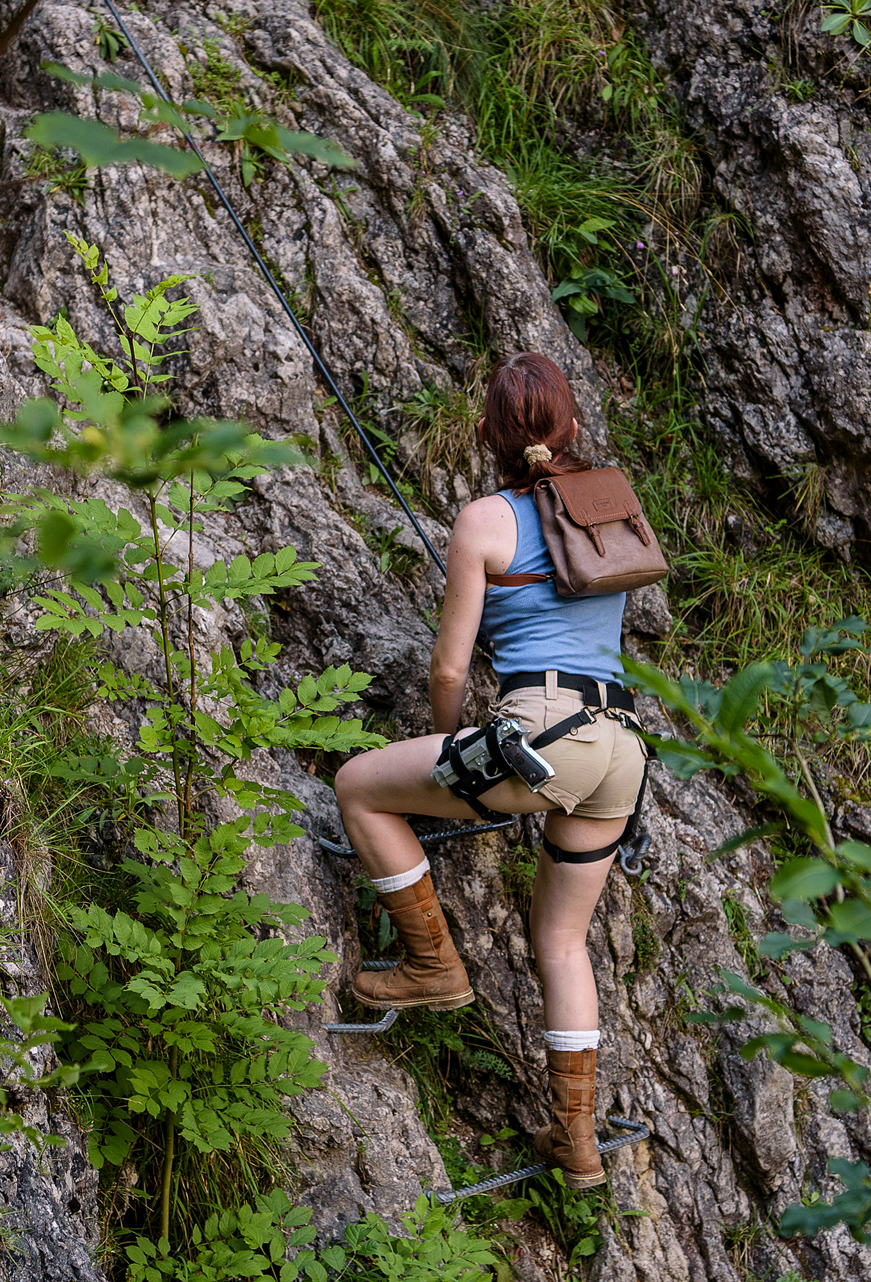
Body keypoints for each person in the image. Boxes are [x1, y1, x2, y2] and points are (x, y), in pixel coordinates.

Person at [333, 351, 648, 1191]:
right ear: (572, 424)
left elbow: (448, 669)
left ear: (484, 434)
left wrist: (448, 752)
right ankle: (577, 1141)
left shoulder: (482, 521)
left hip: (540, 734)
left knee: (358, 788)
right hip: (620, 748)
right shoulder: (615, 503)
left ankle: (433, 966)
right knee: (563, 941)